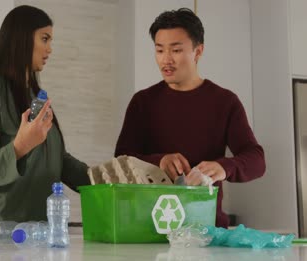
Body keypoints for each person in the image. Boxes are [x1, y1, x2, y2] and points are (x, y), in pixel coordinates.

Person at [114, 8, 266, 228]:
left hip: (207, 229)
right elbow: (122, 159)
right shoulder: (143, 102)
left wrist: (224, 167)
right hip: (150, 229)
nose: (166, 60)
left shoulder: (225, 101)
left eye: (176, 50)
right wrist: (160, 161)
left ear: (198, 51)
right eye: (159, 50)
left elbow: (257, 160)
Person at [0, 5, 90, 236]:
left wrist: (104, 180)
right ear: (21, 38)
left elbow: (57, 160)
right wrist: (20, 147)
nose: (50, 49)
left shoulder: (34, 95)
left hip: (39, 235)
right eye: (45, 39)